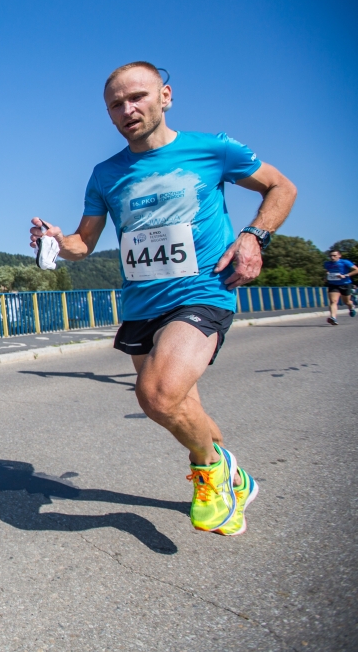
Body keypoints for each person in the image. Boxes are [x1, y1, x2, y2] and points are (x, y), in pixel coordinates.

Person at [29, 62, 297, 536]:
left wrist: (254, 235)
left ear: (165, 96)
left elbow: (282, 186)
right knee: (182, 406)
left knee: (157, 395)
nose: (127, 109)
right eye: (116, 104)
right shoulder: (105, 174)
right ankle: (234, 476)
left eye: (137, 97)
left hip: (202, 291)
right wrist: (57, 241)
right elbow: (83, 244)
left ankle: (210, 473)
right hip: (142, 305)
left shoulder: (213, 149)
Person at [323, 249, 357, 325]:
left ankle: (351, 307)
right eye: (330, 256)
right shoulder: (327, 263)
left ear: (339, 256)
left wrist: (345, 275)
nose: (332, 257)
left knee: (347, 301)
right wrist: (326, 277)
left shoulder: (345, 262)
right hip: (333, 284)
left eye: (334, 255)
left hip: (345, 284)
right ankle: (333, 318)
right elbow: (328, 271)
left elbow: (356, 270)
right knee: (333, 301)